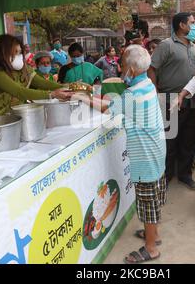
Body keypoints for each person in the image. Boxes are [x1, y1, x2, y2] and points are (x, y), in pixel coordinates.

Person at [73, 45, 166, 264]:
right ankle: (154, 234)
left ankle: (151, 248)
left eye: (122, 65)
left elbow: (109, 109)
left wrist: (83, 98)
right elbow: (116, 104)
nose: (119, 68)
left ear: (131, 70)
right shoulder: (147, 84)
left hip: (145, 158)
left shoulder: (133, 93)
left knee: (146, 203)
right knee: (155, 197)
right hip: (156, 151)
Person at [148, 12, 195, 191]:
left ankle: (185, 175)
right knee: (169, 141)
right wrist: (155, 93)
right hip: (169, 99)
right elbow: (152, 69)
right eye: (192, 23)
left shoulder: (194, 47)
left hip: (191, 100)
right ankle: (166, 175)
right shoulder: (166, 45)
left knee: (189, 140)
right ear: (182, 25)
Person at [0, 35, 73, 119]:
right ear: (2, 53)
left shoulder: (23, 70)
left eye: (20, 52)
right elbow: (19, 91)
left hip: (2, 119)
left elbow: (43, 83)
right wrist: (52, 94)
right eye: (14, 53)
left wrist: (69, 86)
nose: (19, 56)